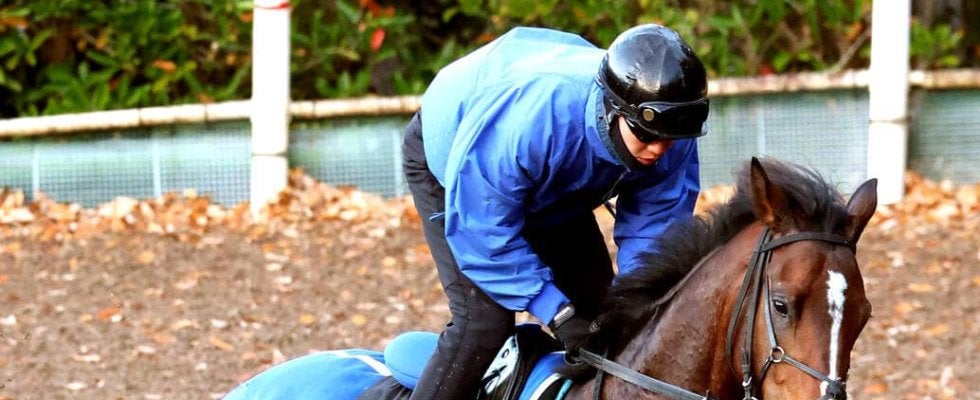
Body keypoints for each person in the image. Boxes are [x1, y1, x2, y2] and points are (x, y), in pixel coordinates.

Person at [401, 23, 709, 399]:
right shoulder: (534, 120)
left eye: (670, 137)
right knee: (483, 324)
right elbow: (484, 232)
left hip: (553, 182)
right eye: (646, 135)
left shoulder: (668, 129)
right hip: (464, 166)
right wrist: (555, 311)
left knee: (605, 317)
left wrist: (636, 304)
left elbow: (655, 236)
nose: (659, 149)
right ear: (614, 109)